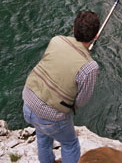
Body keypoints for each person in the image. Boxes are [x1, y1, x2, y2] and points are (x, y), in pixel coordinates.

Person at [22, 11, 100, 163]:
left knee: (43, 138)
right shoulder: (90, 67)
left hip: (28, 104)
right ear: (95, 36)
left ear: (73, 29)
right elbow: (81, 101)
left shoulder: (56, 40)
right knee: (70, 144)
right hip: (52, 118)